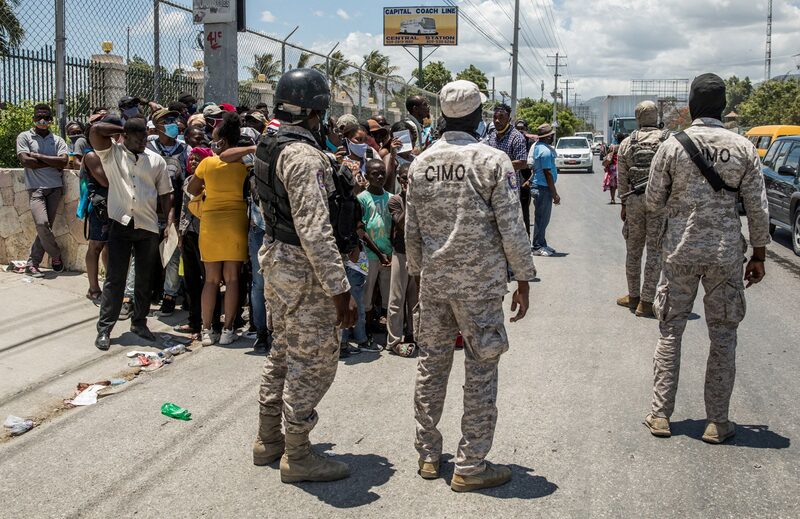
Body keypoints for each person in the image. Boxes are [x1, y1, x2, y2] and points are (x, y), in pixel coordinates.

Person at [406, 80, 536, 492]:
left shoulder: (421, 163)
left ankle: (428, 455)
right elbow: (512, 227)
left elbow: (410, 231)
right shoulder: (492, 160)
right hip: (479, 287)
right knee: (481, 371)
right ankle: (471, 465)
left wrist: (417, 274)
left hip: (435, 283)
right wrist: (524, 279)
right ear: (478, 114)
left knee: (431, 366)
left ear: (443, 115)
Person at [644, 73, 770, 444]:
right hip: (725, 255)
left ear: (693, 104)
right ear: (723, 105)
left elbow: (653, 201)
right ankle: (717, 422)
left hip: (679, 253)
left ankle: (661, 415)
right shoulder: (743, 147)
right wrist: (759, 255)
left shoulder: (672, 146)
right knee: (723, 336)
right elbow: (758, 210)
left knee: (670, 332)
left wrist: (680, 210)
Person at [251, 68, 358, 483]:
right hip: (305, 268)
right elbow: (315, 230)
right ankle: (297, 454)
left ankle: (268, 440)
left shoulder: (269, 144)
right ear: (316, 111)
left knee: (283, 351)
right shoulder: (303, 156)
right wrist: (339, 289)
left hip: (277, 260)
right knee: (313, 360)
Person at [90, 116, 173, 350]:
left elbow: (166, 193)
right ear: (124, 137)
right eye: (137, 139)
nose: (142, 143)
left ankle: (139, 323)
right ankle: (105, 329)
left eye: (145, 138)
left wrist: (169, 221)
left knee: (144, 281)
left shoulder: (156, 161)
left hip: (147, 226)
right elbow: (96, 131)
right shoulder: (112, 153)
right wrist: (124, 128)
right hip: (121, 224)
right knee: (115, 280)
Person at [187, 112, 249, 346]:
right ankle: (228, 329)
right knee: (232, 279)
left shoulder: (207, 163)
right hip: (236, 222)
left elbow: (193, 189)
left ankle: (206, 331)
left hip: (210, 223)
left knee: (211, 280)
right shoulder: (244, 164)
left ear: (221, 141)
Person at [616, 102, 671, 317]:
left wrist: (623, 205)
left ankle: (633, 296)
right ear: (656, 117)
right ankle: (646, 302)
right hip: (659, 203)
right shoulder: (668, 141)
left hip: (633, 202)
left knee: (633, 250)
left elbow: (622, 178)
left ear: (638, 117)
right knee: (655, 251)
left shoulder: (628, 143)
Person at [16, 103, 69, 278]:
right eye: (39, 116)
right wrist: (52, 161)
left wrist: (37, 157)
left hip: (55, 188)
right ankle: (55, 255)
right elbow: (26, 161)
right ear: (33, 118)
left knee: (45, 228)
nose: (43, 120)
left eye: (46, 117)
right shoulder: (24, 137)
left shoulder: (58, 140)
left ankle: (33, 263)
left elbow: (63, 162)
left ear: (51, 119)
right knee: (42, 224)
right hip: (36, 189)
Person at [148, 107, 190, 316]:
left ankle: (169, 296)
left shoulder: (184, 150)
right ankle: (134, 295)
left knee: (172, 255)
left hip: (174, 212)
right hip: (148, 212)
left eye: (174, 119)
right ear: (157, 126)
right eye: (167, 120)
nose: (174, 123)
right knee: (143, 256)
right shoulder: (147, 149)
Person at [176, 147, 214, 340]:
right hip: (189, 234)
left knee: (209, 279)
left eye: (198, 159)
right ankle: (194, 321)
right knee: (190, 281)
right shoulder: (188, 181)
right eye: (192, 159)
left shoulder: (211, 183)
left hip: (206, 235)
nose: (193, 162)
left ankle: (211, 322)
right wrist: (180, 235)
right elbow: (184, 209)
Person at [357, 159, 393, 343]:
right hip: (371, 255)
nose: (379, 177)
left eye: (382, 173)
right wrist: (380, 254)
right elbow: (361, 230)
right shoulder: (362, 199)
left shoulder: (391, 197)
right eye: (374, 174)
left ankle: (387, 328)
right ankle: (367, 329)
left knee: (387, 293)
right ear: (366, 176)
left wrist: (390, 253)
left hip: (389, 254)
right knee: (367, 294)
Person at [385, 163, 418, 357]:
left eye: (410, 179)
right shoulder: (395, 201)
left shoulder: (421, 199)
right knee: (396, 299)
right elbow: (401, 224)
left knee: (415, 299)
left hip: (416, 253)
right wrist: (410, 198)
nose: (407, 182)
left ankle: (414, 335)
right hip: (400, 252)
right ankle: (394, 340)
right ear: (399, 180)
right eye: (404, 179)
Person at [80, 113, 111, 303]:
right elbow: (105, 181)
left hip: (111, 204)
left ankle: (109, 284)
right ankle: (93, 288)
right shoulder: (91, 154)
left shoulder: (108, 152)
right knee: (96, 245)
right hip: (100, 206)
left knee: (108, 245)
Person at [528, 123, 561, 256]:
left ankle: (542, 243)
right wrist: (555, 194)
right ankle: (537, 246)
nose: (552, 137)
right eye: (551, 135)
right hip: (543, 188)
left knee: (542, 218)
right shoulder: (545, 151)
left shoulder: (539, 147)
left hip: (541, 187)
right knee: (541, 219)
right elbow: (547, 173)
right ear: (547, 137)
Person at [515, 119, 535, 236]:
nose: (520, 131)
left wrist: (529, 180)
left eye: (522, 128)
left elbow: (536, 165)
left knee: (524, 211)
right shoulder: (512, 141)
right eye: (518, 128)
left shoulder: (531, 143)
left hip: (525, 182)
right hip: (511, 181)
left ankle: (526, 237)